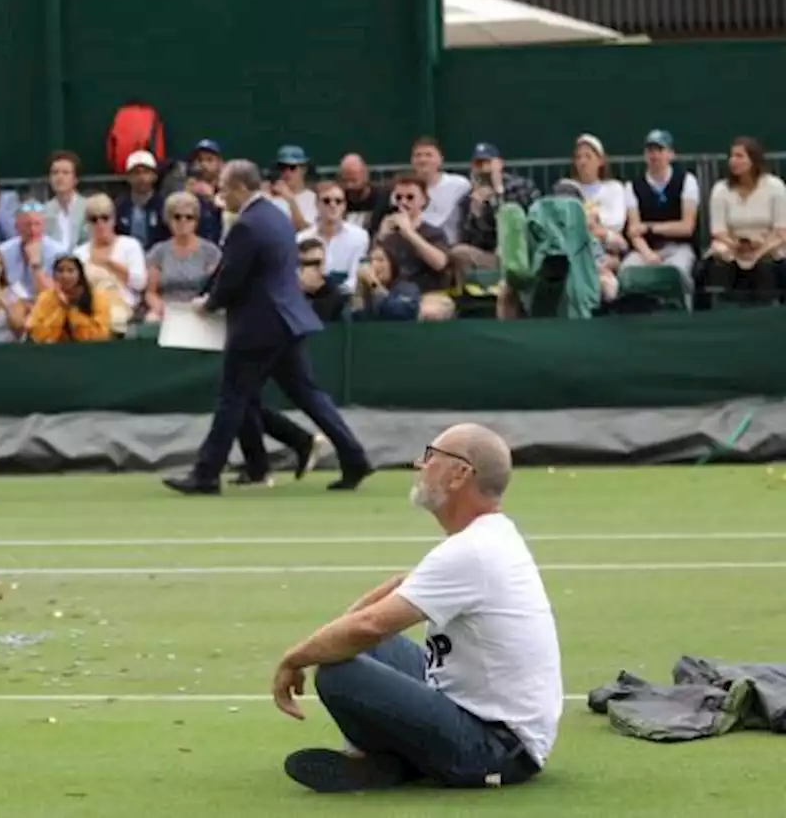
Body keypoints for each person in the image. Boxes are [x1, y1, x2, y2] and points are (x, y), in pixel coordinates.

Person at [272, 423, 562, 793]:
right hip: (486, 726)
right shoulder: (485, 538)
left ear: (460, 474)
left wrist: (293, 659)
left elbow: (369, 625)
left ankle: (388, 759)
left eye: (430, 457)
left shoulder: (473, 550)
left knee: (337, 672)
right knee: (362, 646)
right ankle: (388, 760)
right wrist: (329, 638)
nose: (418, 464)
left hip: (495, 749)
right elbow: (388, 598)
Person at [163, 160, 373, 495]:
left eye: (225, 187)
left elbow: (232, 276)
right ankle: (353, 456)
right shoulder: (276, 216)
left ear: (241, 188)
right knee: (308, 395)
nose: (221, 194)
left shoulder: (247, 225)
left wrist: (208, 303)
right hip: (286, 320)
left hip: (259, 325)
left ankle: (206, 474)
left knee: (232, 398)